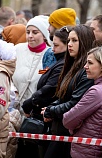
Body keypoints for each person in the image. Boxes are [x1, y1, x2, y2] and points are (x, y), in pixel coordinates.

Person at [41, 25, 96, 158]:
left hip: (70, 133)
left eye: (74, 41)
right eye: (69, 41)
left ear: (85, 41)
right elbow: (63, 96)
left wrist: (51, 111)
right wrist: (51, 107)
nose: (69, 45)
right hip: (60, 130)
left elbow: (75, 103)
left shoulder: (86, 71)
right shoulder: (72, 66)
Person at [19, 26, 72, 158]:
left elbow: (49, 89)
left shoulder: (62, 64)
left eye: (56, 45)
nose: (52, 49)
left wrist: (29, 102)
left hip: (48, 118)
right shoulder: (59, 62)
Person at [63, 46, 102, 158]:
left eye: (90, 63)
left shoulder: (97, 92)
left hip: (87, 151)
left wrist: (76, 125)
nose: (85, 66)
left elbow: (68, 120)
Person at [12, 16, 56, 113]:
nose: (30, 36)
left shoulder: (51, 55)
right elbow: (7, 72)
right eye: (28, 32)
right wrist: (13, 91)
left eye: (35, 32)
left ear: (44, 35)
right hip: (14, 108)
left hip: (35, 111)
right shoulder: (17, 49)